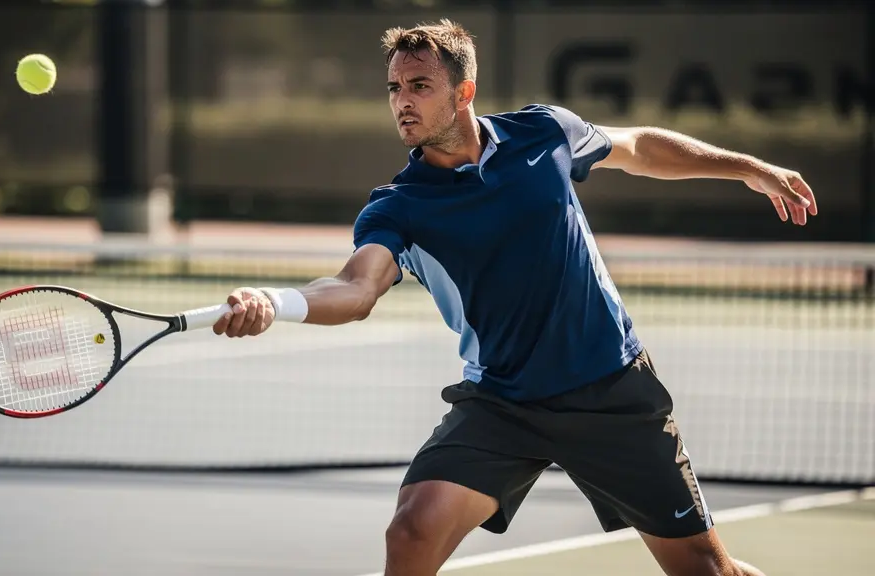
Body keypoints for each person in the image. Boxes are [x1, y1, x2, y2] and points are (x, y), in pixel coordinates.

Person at [211, 19, 817, 576]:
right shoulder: (398, 205)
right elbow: (355, 287)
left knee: (707, 571)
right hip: (505, 403)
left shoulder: (545, 133)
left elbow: (639, 149)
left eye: (420, 85)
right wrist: (276, 301)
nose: (402, 102)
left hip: (611, 389)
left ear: (465, 91)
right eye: (394, 88)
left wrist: (746, 166)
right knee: (413, 530)